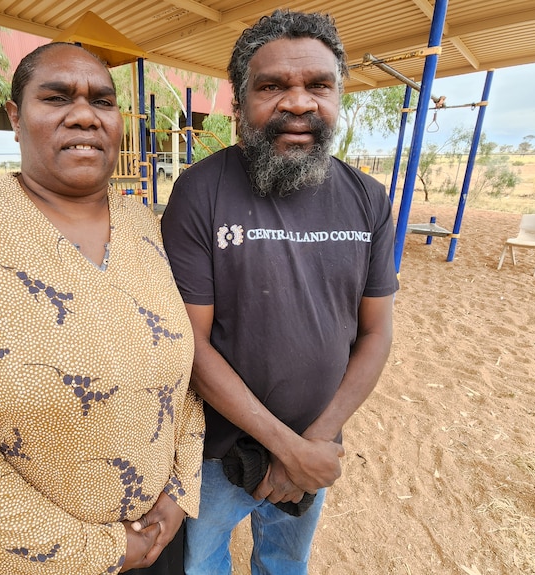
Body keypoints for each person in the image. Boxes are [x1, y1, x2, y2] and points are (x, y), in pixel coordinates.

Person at [0, 42, 203, 575]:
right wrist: (100, 550)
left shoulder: (147, 225)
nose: (84, 115)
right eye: (57, 98)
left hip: (156, 540)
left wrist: (178, 490)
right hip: (23, 561)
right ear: (15, 116)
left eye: (103, 101)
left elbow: (184, 377)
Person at [160, 10, 399, 574]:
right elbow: (189, 344)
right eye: (272, 87)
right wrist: (286, 449)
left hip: (319, 442)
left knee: (285, 563)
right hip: (218, 451)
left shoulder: (368, 197)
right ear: (240, 106)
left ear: (338, 99)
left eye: (319, 86)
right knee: (203, 561)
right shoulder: (200, 192)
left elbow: (376, 332)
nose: (298, 103)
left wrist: (311, 446)